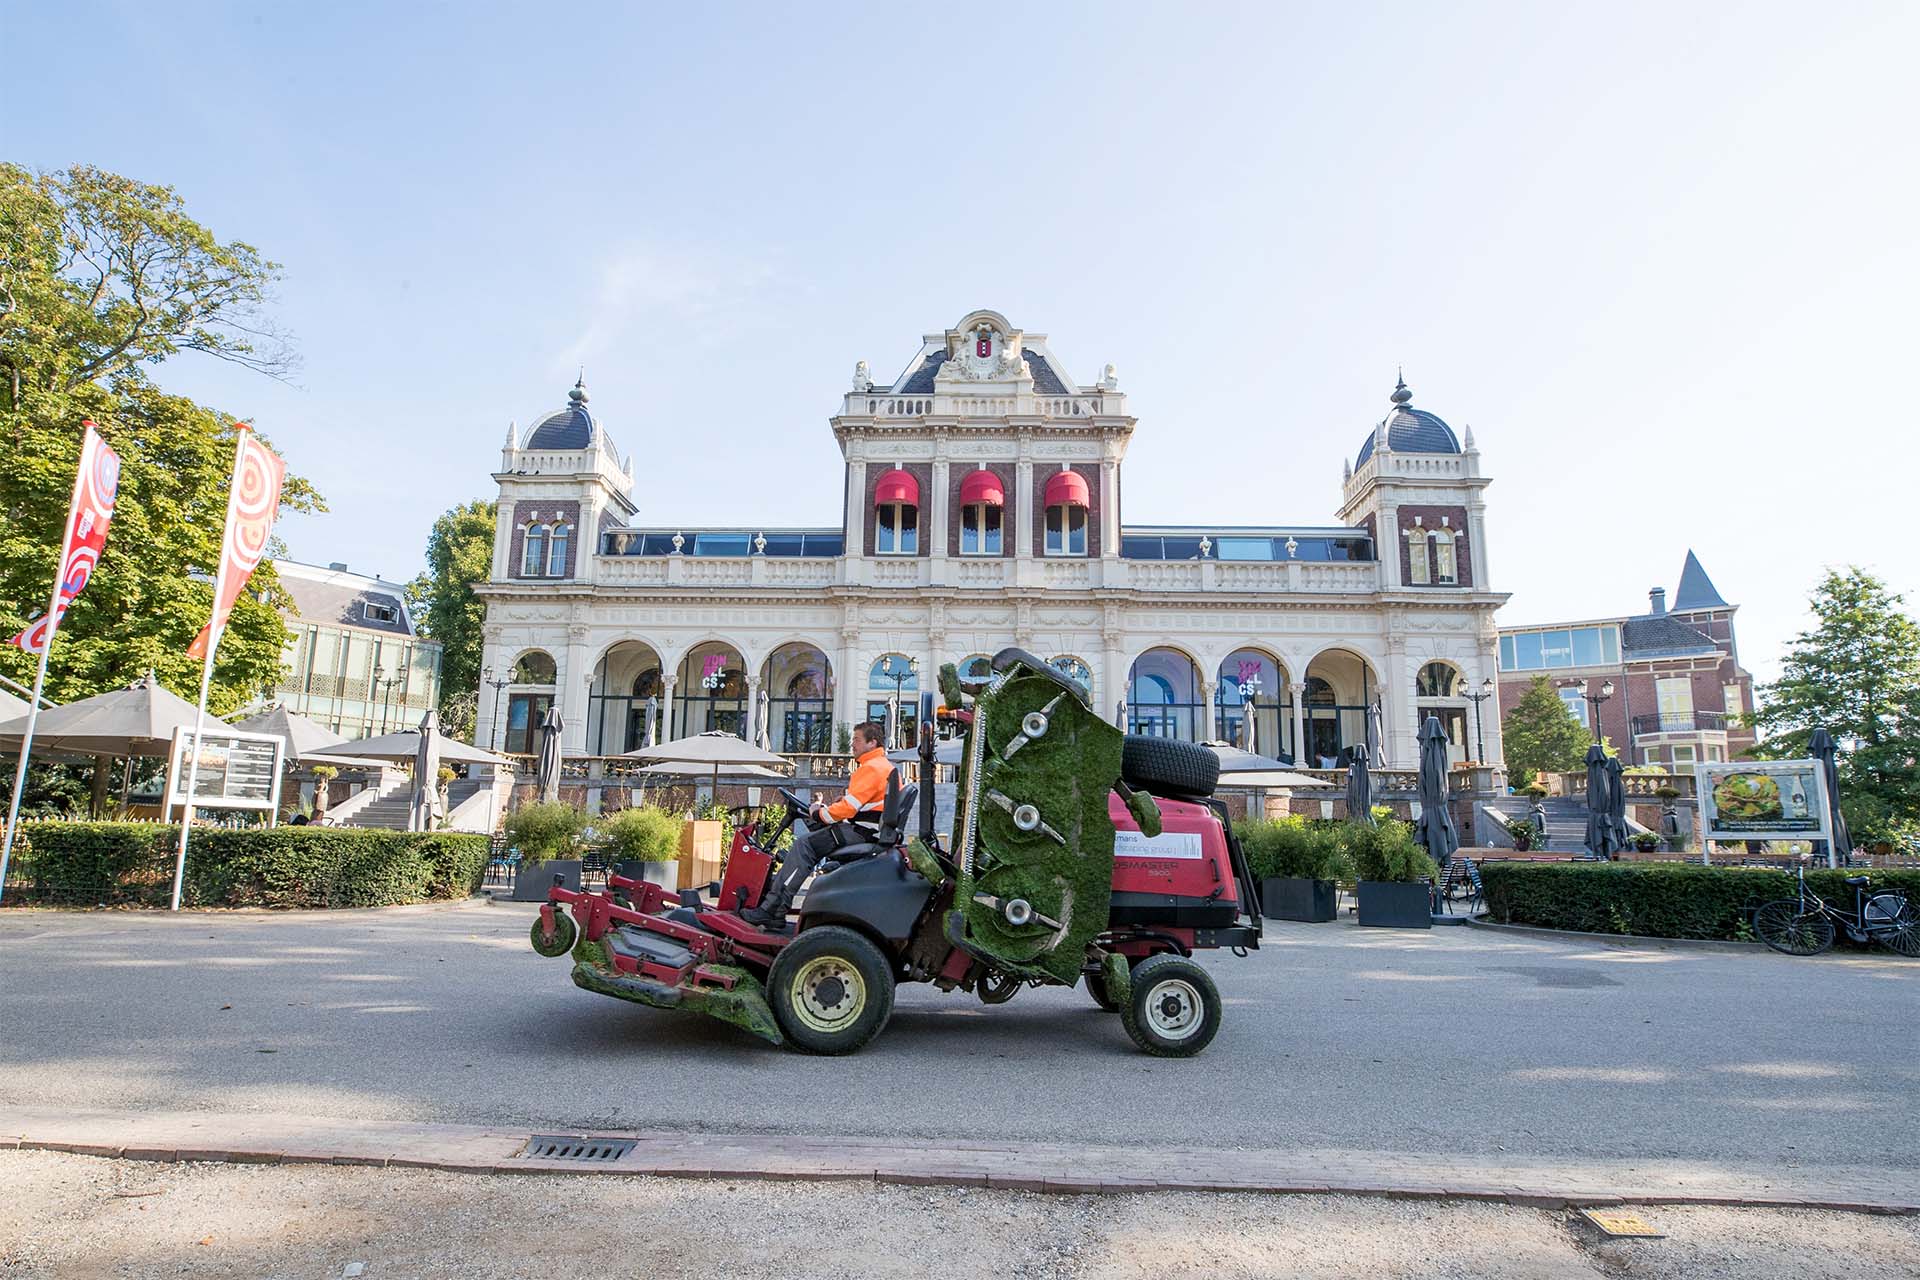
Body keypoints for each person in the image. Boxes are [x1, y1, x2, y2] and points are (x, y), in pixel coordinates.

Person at [743, 721, 896, 927]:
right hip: (869, 831)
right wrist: (823, 811)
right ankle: (775, 910)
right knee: (811, 841)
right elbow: (855, 805)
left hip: (859, 832)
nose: (852, 744)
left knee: (803, 847)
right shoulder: (885, 766)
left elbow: (848, 808)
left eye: (857, 740)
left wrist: (820, 813)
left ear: (872, 743)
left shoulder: (871, 769)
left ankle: (771, 910)